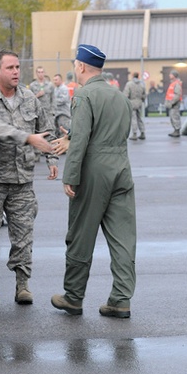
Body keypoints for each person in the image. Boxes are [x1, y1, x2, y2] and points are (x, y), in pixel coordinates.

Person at [50, 44, 137, 318]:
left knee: (80, 235)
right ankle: (121, 300)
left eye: (75, 63)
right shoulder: (119, 96)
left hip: (94, 170)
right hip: (122, 168)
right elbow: (116, 131)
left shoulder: (84, 95)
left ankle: (73, 298)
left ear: (81, 66)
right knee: (123, 238)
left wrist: (70, 176)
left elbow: (83, 141)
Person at [0, 50, 57, 306]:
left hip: (21, 180)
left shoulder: (29, 98)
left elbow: (45, 128)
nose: (16, 71)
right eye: (10, 68)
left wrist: (51, 158)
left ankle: (22, 285)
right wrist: (28, 138)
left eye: (18, 67)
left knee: (24, 234)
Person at [122, 71, 147, 140]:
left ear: (133, 76)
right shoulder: (142, 84)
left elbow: (125, 94)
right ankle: (142, 132)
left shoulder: (129, 84)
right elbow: (144, 95)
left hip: (131, 102)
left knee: (133, 119)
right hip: (139, 102)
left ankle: (134, 133)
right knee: (139, 118)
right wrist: (142, 100)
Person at [165, 70, 183, 137]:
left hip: (174, 103)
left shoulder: (176, 84)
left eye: (171, 74)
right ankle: (175, 130)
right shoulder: (173, 83)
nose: (169, 75)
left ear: (174, 76)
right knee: (172, 117)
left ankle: (177, 130)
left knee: (175, 116)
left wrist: (172, 102)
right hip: (172, 103)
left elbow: (178, 95)